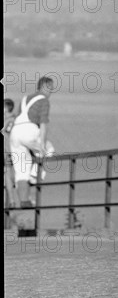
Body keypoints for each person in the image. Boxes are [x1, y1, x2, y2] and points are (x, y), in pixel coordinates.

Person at [9, 76, 55, 208]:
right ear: (45, 87)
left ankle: (24, 201)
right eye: (50, 88)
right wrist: (42, 143)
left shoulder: (25, 98)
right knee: (48, 149)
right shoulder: (44, 100)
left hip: (15, 132)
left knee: (21, 168)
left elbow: (18, 117)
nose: (51, 92)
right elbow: (43, 123)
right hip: (29, 129)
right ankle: (35, 175)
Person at [4, 98, 17, 207]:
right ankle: (12, 200)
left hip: (8, 151)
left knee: (9, 174)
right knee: (8, 174)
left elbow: (6, 132)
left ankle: (13, 199)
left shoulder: (11, 120)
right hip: (9, 151)